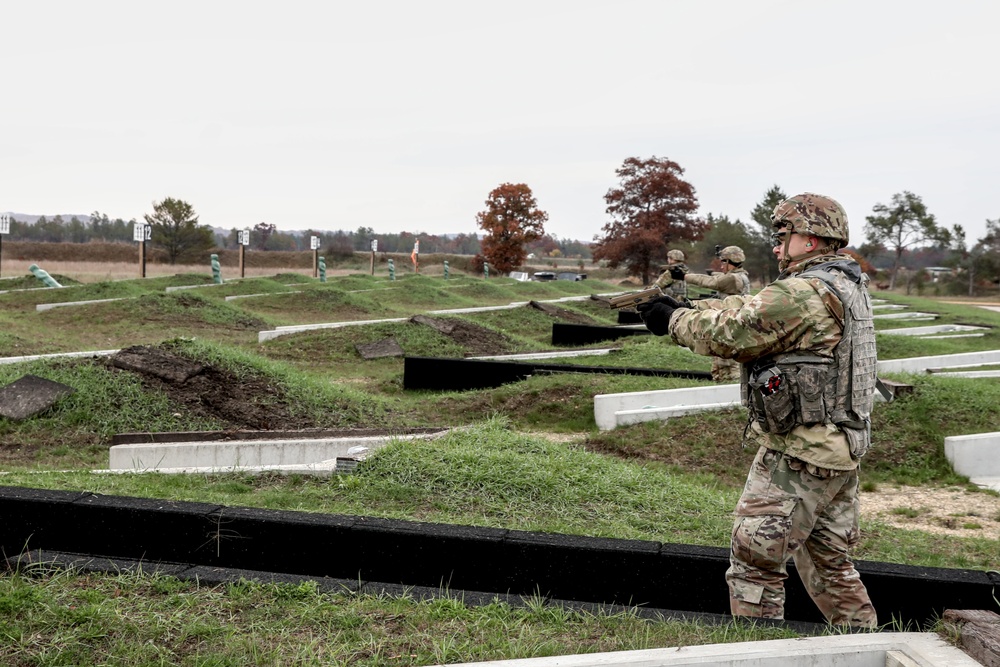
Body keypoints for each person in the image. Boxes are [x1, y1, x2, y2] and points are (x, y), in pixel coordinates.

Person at [636, 193, 878, 628]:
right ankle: (862, 644)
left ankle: (757, 653)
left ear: (810, 238)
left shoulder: (805, 290)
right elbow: (749, 307)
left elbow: (735, 331)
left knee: (754, 567)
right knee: (830, 568)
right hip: (837, 449)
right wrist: (688, 307)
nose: (774, 245)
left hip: (798, 453)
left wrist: (671, 321)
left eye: (781, 234)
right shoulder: (843, 282)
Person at [683, 245, 751, 382]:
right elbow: (718, 277)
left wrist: (684, 276)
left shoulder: (731, 279)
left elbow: (711, 282)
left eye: (723, 262)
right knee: (722, 359)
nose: (721, 266)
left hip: (730, 324)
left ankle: (729, 386)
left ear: (729, 262)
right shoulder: (741, 276)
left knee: (728, 362)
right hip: (734, 321)